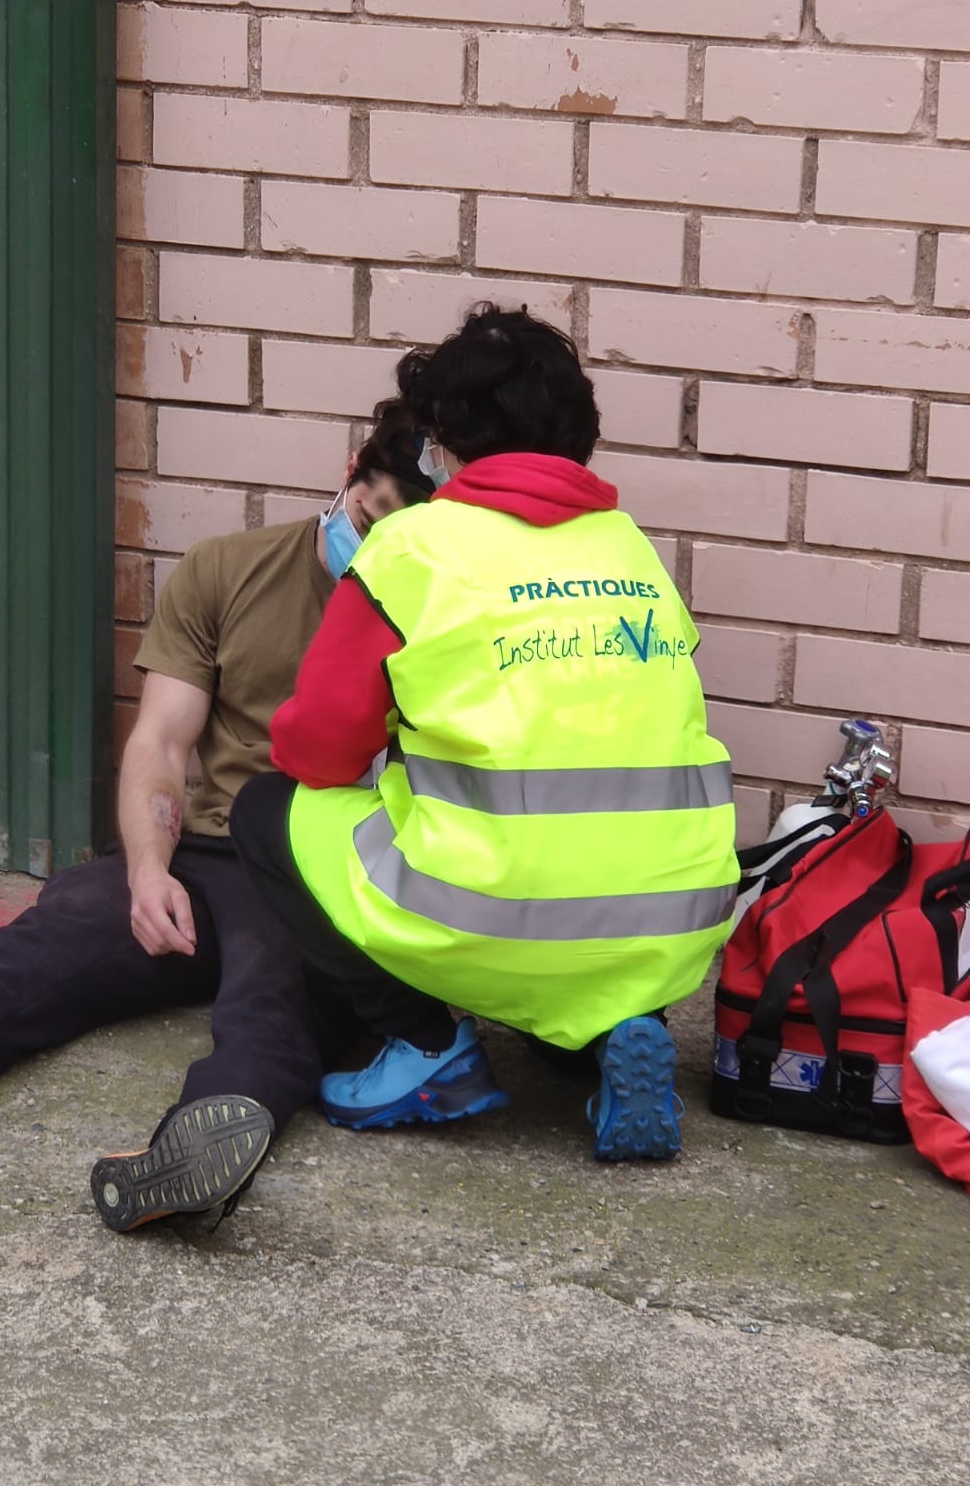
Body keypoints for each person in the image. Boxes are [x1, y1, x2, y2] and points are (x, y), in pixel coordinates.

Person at [0, 406, 432, 1228]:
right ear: (347, 474)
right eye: (370, 518)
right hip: (211, 851)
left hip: (330, 869)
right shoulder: (230, 569)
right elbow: (160, 740)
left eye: (404, 532)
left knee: (276, 1004)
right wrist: (149, 873)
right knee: (43, 951)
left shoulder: (454, 608)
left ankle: (192, 1159)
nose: (375, 545)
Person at [230, 305, 740, 1162]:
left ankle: (427, 1047)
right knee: (590, 889)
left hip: (491, 911)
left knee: (264, 810)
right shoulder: (631, 551)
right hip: (671, 922)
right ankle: (616, 1026)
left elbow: (316, 750)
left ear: (445, 438)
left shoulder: (414, 550)